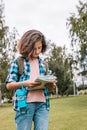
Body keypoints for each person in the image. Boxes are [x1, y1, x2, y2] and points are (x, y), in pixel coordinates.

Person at [6, 29, 56, 130]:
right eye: (34, 48)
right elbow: (9, 85)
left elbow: (50, 87)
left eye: (40, 48)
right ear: (27, 46)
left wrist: (52, 86)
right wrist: (24, 83)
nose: (37, 51)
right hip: (24, 105)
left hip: (42, 104)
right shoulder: (18, 62)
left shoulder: (44, 64)